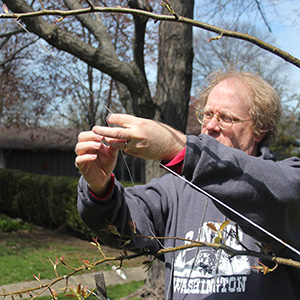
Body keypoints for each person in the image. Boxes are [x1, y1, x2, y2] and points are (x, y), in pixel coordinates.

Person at [75, 70, 300, 299]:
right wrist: (100, 188)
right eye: (207, 114)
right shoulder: (176, 190)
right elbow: (120, 225)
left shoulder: (287, 180)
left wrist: (178, 149)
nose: (210, 126)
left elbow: (280, 197)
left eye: (226, 118)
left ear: (260, 128)